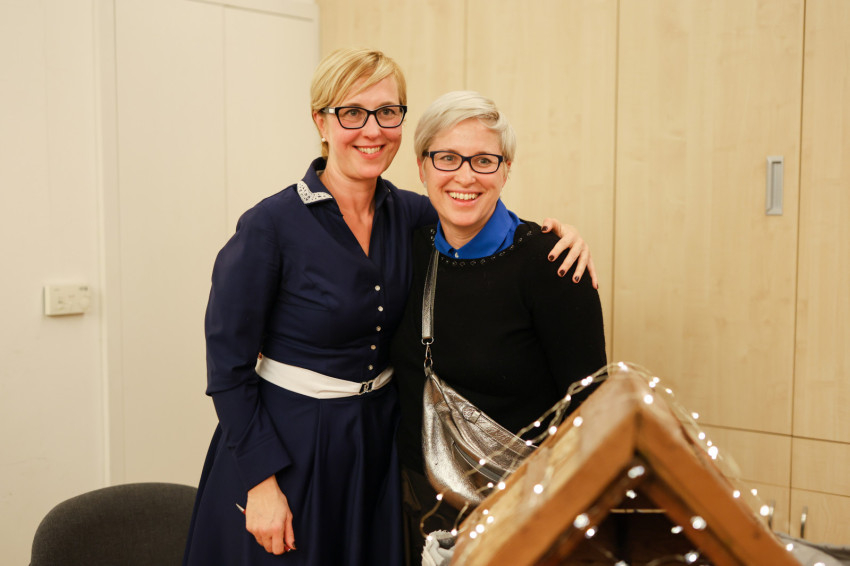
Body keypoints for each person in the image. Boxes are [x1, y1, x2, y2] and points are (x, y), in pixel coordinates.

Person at [182, 49, 595, 566]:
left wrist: (556, 236)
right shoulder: (270, 226)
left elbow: (473, 206)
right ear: (321, 122)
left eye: (387, 112)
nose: (372, 129)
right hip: (289, 448)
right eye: (352, 113)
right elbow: (228, 370)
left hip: (377, 445)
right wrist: (260, 481)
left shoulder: (410, 214)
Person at [389, 90, 608, 565]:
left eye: (484, 160)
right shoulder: (405, 251)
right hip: (420, 506)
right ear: (422, 167)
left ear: (506, 169)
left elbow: (590, 409)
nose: (465, 176)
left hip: (522, 511)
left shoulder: (553, 263)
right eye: (447, 158)